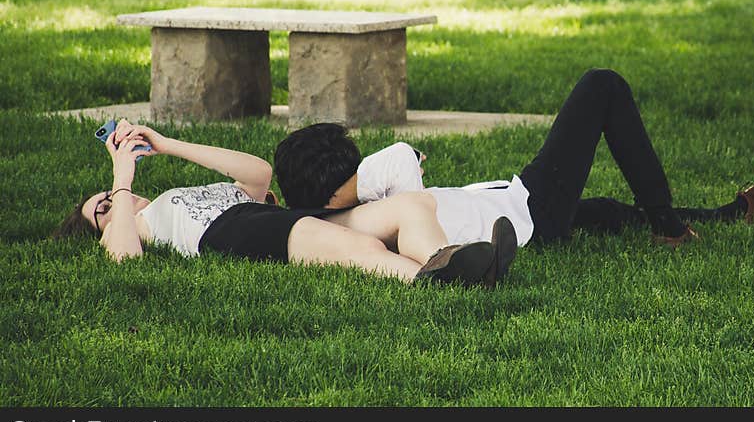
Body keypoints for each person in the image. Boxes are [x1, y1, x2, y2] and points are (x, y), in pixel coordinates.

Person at [273, 69, 754, 280]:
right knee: (601, 87)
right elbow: (404, 158)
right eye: (346, 169)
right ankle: (670, 229)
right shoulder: (359, 207)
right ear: (330, 189)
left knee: (606, 212)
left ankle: (738, 211)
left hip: (518, 205)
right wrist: (357, 186)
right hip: (528, 212)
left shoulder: (344, 215)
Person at [54, 120, 516, 288]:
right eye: (102, 210)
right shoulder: (135, 228)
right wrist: (119, 179)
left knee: (410, 206)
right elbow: (125, 261)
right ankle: (434, 280)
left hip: (281, 217)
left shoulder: (172, 200)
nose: (114, 205)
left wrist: (167, 144)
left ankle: (450, 263)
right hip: (244, 232)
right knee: (363, 252)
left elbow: (257, 173)